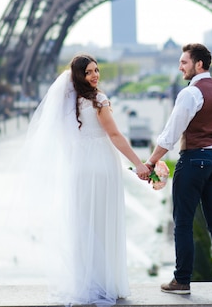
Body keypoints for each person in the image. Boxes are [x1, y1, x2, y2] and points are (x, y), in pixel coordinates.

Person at [18, 54, 150, 306]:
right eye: (89, 72)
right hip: (101, 166)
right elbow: (115, 135)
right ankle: (106, 282)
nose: (95, 75)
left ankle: (87, 281)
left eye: (97, 70)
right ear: (79, 75)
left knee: (84, 225)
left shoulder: (69, 102)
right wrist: (139, 163)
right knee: (102, 222)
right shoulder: (99, 100)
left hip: (79, 167)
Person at [142, 43, 212, 295]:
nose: (180, 66)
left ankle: (182, 279)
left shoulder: (191, 94)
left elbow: (169, 135)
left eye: (184, 62)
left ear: (199, 65)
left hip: (194, 159)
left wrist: (150, 162)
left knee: (182, 222)